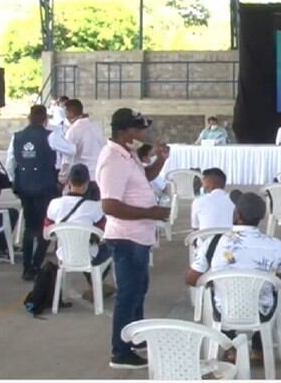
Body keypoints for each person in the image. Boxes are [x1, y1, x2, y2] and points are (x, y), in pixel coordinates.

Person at [96, 108, 170, 370]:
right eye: (138, 128)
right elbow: (109, 205)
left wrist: (160, 160)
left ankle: (135, 336)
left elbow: (144, 177)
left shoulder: (127, 153)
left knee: (139, 289)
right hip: (126, 238)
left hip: (139, 237)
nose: (142, 132)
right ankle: (120, 351)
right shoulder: (113, 160)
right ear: (124, 131)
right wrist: (151, 213)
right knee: (128, 294)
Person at [186, 192, 281, 363]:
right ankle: (259, 347)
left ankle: (230, 347)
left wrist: (212, 282)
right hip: (261, 311)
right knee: (271, 292)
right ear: (261, 217)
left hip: (225, 309)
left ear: (236, 215)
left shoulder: (213, 242)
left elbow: (191, 279)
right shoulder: (275, 245)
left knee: (215, 296)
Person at [6, 105, 75, 281]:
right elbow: (71, 150)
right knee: (46, 226)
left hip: (25, 187)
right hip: (46, 186)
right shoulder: (51, 135)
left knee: (29, 227)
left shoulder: (17, 136)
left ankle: (27, 267)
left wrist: (16, 181)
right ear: (45, 119)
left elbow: (10, 163)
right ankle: (37, 263)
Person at [44, 164, 114, 303]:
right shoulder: (95, 207)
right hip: (89, 255)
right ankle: (96, 284)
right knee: (112, 246)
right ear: (87, 183)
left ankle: (95, 285)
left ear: (68, 182)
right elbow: (103, 233)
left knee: (79, 246)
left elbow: (46, 233)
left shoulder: (54, 204)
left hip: (64, 254)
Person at [63, 99, 106, 199]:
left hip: (81, 179)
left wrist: (64, 177)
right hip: (98, 177)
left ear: (70, 113)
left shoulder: (73, 131)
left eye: (66, 112)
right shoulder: (96, 127)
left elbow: (67, 157)